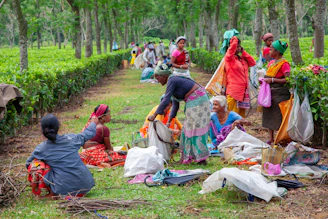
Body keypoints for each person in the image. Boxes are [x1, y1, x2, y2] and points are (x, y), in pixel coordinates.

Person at [148, 63, 211, 165]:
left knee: (194, 128)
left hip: (198, 101)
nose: (157, 80)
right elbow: (175, 105)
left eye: (157, 77)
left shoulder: (172, 80)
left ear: (164, 76)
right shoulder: (173, 81)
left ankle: (201, 159)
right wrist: (168, 122)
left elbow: (166, 100)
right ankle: (188, 157)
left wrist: (154, 115)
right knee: (187, 129)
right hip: (195, 100)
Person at [26, 114, 96, 198]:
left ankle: (51, 192)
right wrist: (93, 122)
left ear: (43, 130)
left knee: (38, 165)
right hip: (85, 185)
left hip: (63, 190)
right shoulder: (72, 139)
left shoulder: (42, 149)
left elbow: (28, 164)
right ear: (58, 127)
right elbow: (89, 133)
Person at [261, 40, 290, 145]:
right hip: (270, 93)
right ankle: (271, 138)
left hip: (280, 93)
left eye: (271, 49)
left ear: (277, 52)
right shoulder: (271, 63)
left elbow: (288, 79)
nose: (269, 51)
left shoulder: (284, 64)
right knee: (268, 114)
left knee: (278, 116)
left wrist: (273, 80)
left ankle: (280, 138)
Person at [224, 36, 256, 118]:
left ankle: (239, 131)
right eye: (236, 47)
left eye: (239, 46)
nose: (238, 48)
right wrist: (234, 41)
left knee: (240, 118)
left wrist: (243, 51)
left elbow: (252, 62)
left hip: (243, 94)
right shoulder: (229, 59)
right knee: (231, 118)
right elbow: (230, 51)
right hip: (233, 93)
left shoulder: (242, 59)